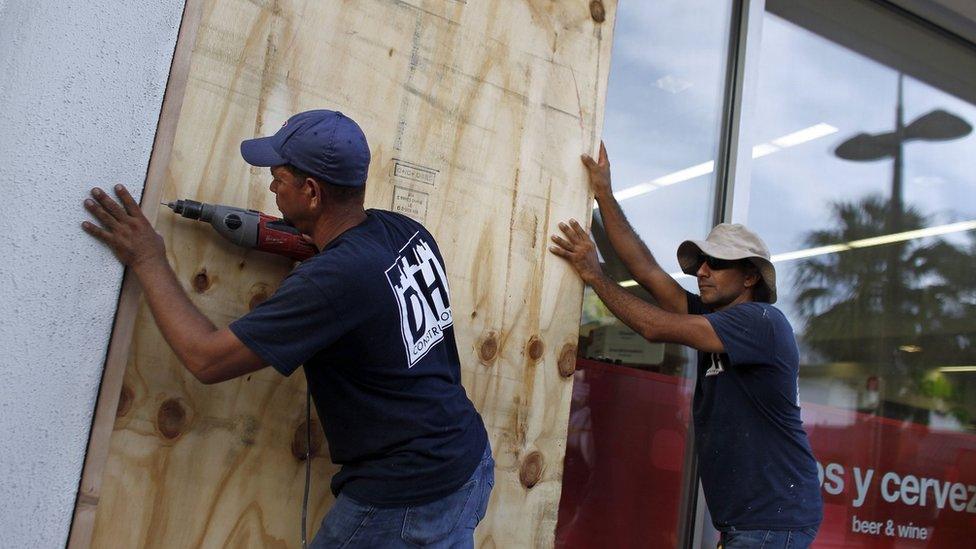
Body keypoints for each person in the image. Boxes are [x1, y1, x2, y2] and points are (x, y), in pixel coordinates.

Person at [82, 109, 492, 548]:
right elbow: (370, 295)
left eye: (278, 178)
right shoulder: (406, 230)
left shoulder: (331, 281)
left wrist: (148, 258)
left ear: (312, 191)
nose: (272, 187)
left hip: (406, 499)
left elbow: (205, 357)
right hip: (468, 460)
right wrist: (317, 241)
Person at [548, 143, 822, 549]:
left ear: (750, 278)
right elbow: (646, 270)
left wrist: (596, 276)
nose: (703, 272)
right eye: (701, 263)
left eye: (717, 264)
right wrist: (604, 193)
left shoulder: (761, 323)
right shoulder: (715, 318)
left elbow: (653, 327)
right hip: (750, 523)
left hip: (771, 524)